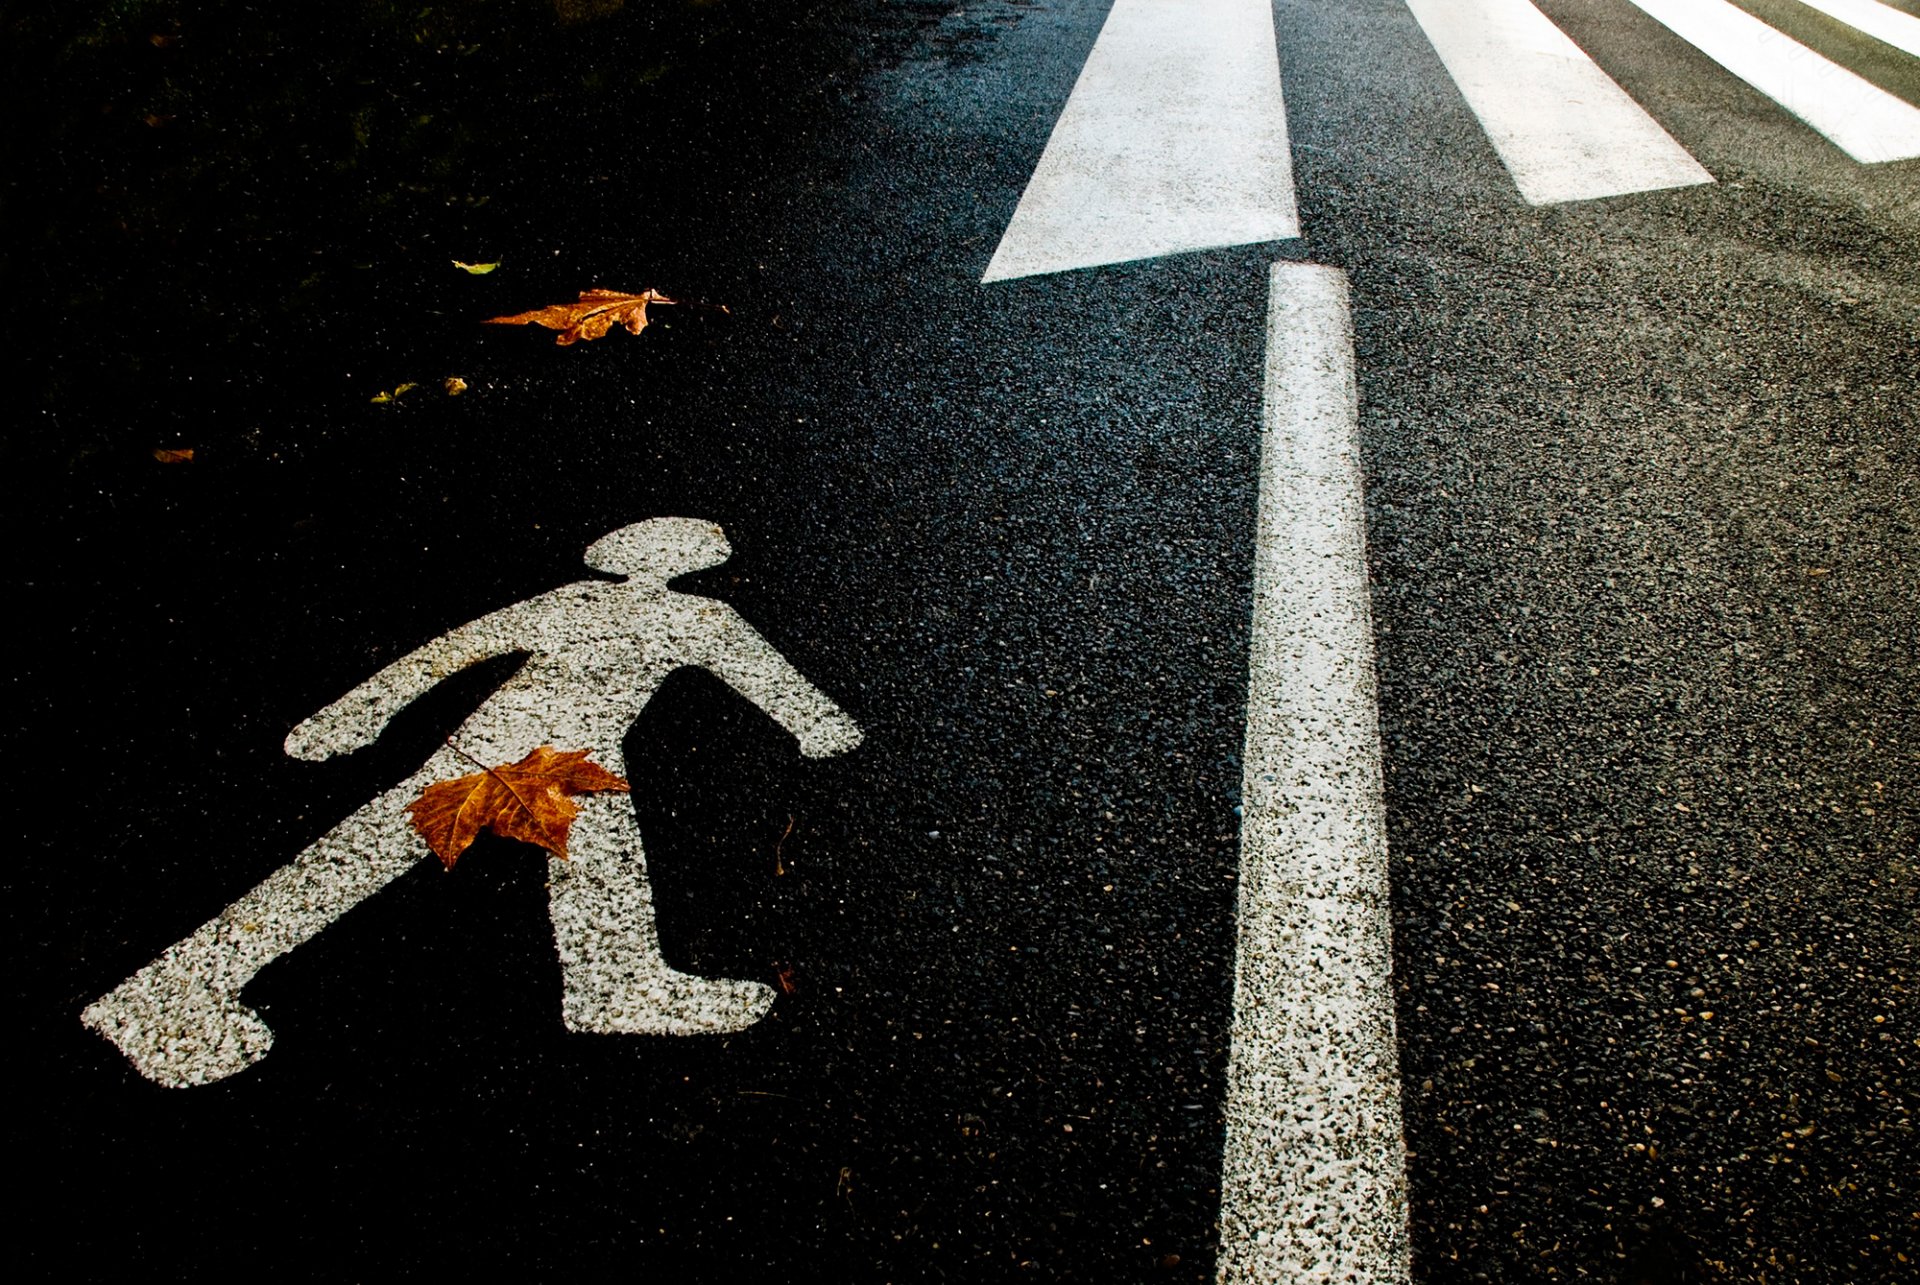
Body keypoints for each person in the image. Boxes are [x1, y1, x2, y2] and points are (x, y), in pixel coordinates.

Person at [84, 518, 863, 1088]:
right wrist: (821, 728)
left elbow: (447, 653)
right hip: (552, 748)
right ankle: (177, 984)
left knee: (417, 844)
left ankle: (618, 983)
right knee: (404, 845)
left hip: (510, 739)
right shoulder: (698, 615)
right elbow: (769, 679)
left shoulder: (587, 600)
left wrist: (354, 715)